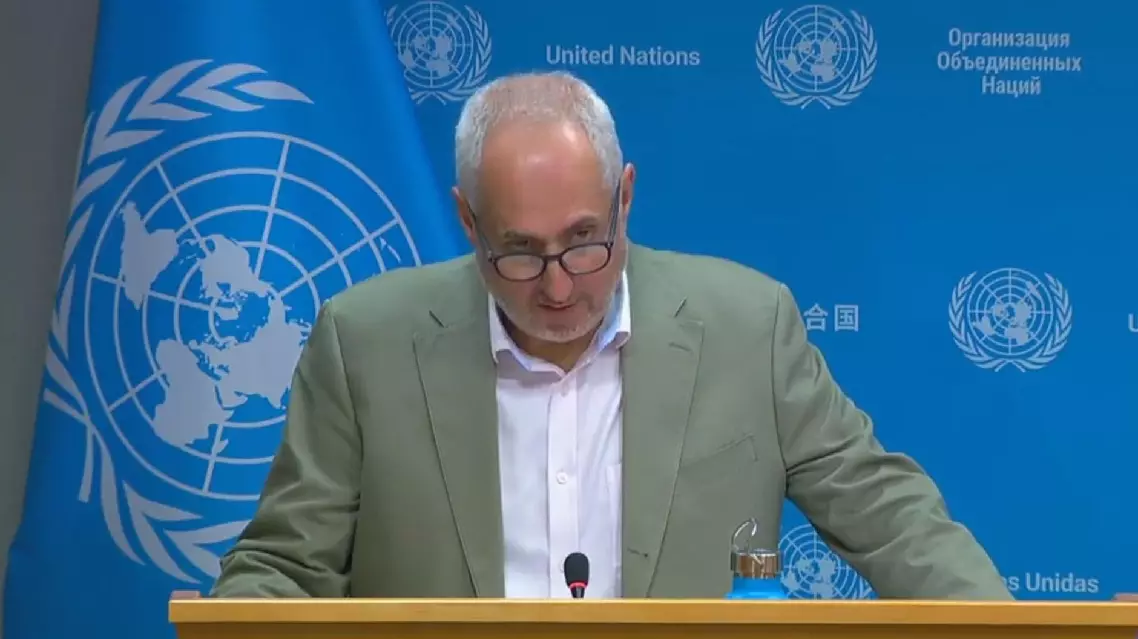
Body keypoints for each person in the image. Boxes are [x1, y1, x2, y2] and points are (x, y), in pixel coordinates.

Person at [210, 70, 1011, 600]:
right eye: (520, 252)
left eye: (584, 242)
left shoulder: (749, 327)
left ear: (625, 198)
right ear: (467, 221)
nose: (559, 287)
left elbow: (888, 514)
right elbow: (283, 563)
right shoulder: (365, 343)